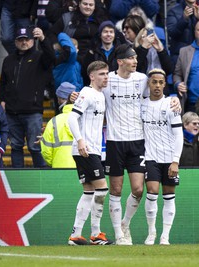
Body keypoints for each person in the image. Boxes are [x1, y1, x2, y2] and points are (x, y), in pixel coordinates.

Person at [104, 44, 180, 245]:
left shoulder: (141, 79)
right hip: (114, 141)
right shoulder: (108, 80)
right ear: (120, 61)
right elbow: (91, 89)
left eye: (136, 57)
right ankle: (120, 236)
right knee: (116, 190)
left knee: (138, 190)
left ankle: (125, 224)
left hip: (137, 142)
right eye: (131, 58)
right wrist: (72, 96)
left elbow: (159, 88)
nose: (136, 61)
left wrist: (176, 100)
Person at [67, 60, 113, 246]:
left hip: (91, 149)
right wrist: (80, 141)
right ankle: (95, 233)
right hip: (85, 149)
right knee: (102, 189)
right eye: (101, 74)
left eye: (107, 73)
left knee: (89, 192)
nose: (106, 77)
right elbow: (72, 117)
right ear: (92, 76)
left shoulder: (100, 95)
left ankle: (76, 234)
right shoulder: (87, 93)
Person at [0, 26, 55, 168]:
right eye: (21, 40)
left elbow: (51, 57)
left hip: (32, 111)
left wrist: (43, 39)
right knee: (16, 146)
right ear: (16, 41)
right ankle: (19, 179)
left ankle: (41, 177)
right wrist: (2, 101)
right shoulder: (8, 60)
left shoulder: (39, 57)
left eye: (27, 39)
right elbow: (4, 83)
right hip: (12, 112)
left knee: (35, 147)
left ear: (32, 40)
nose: (24, 42)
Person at [141, 68, 183, 245]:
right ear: (148, 84)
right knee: (151, 192)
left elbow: (178, 135)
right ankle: (151, 232)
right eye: (154, 82)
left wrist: (175, 161)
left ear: (165, 84)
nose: (157, 85)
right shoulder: (141, 104)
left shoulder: (171, 105)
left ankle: (165, 235)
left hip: (169, 158)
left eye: (160, 82)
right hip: (150, 156)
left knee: (169, 195)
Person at [41, 82, 77, 168]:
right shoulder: (84, 119)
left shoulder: (53, 122)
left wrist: (54, 162)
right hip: (82, 170)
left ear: (60, 99)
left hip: (59, 169)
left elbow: (46, 153)